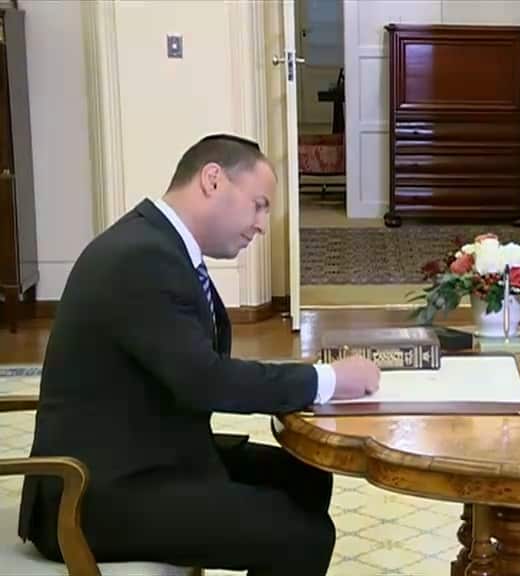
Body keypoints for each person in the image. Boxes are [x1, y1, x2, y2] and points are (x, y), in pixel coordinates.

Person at [18, 134, 381, 575]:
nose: (263, 223)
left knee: (305, 476)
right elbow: (205, 381)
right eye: (259, 204)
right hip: (94, 491)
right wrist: (325, 380)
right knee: (301, 535)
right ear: (213, 180)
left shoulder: (160, 245)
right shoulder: (141, 258)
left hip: (151, 453)